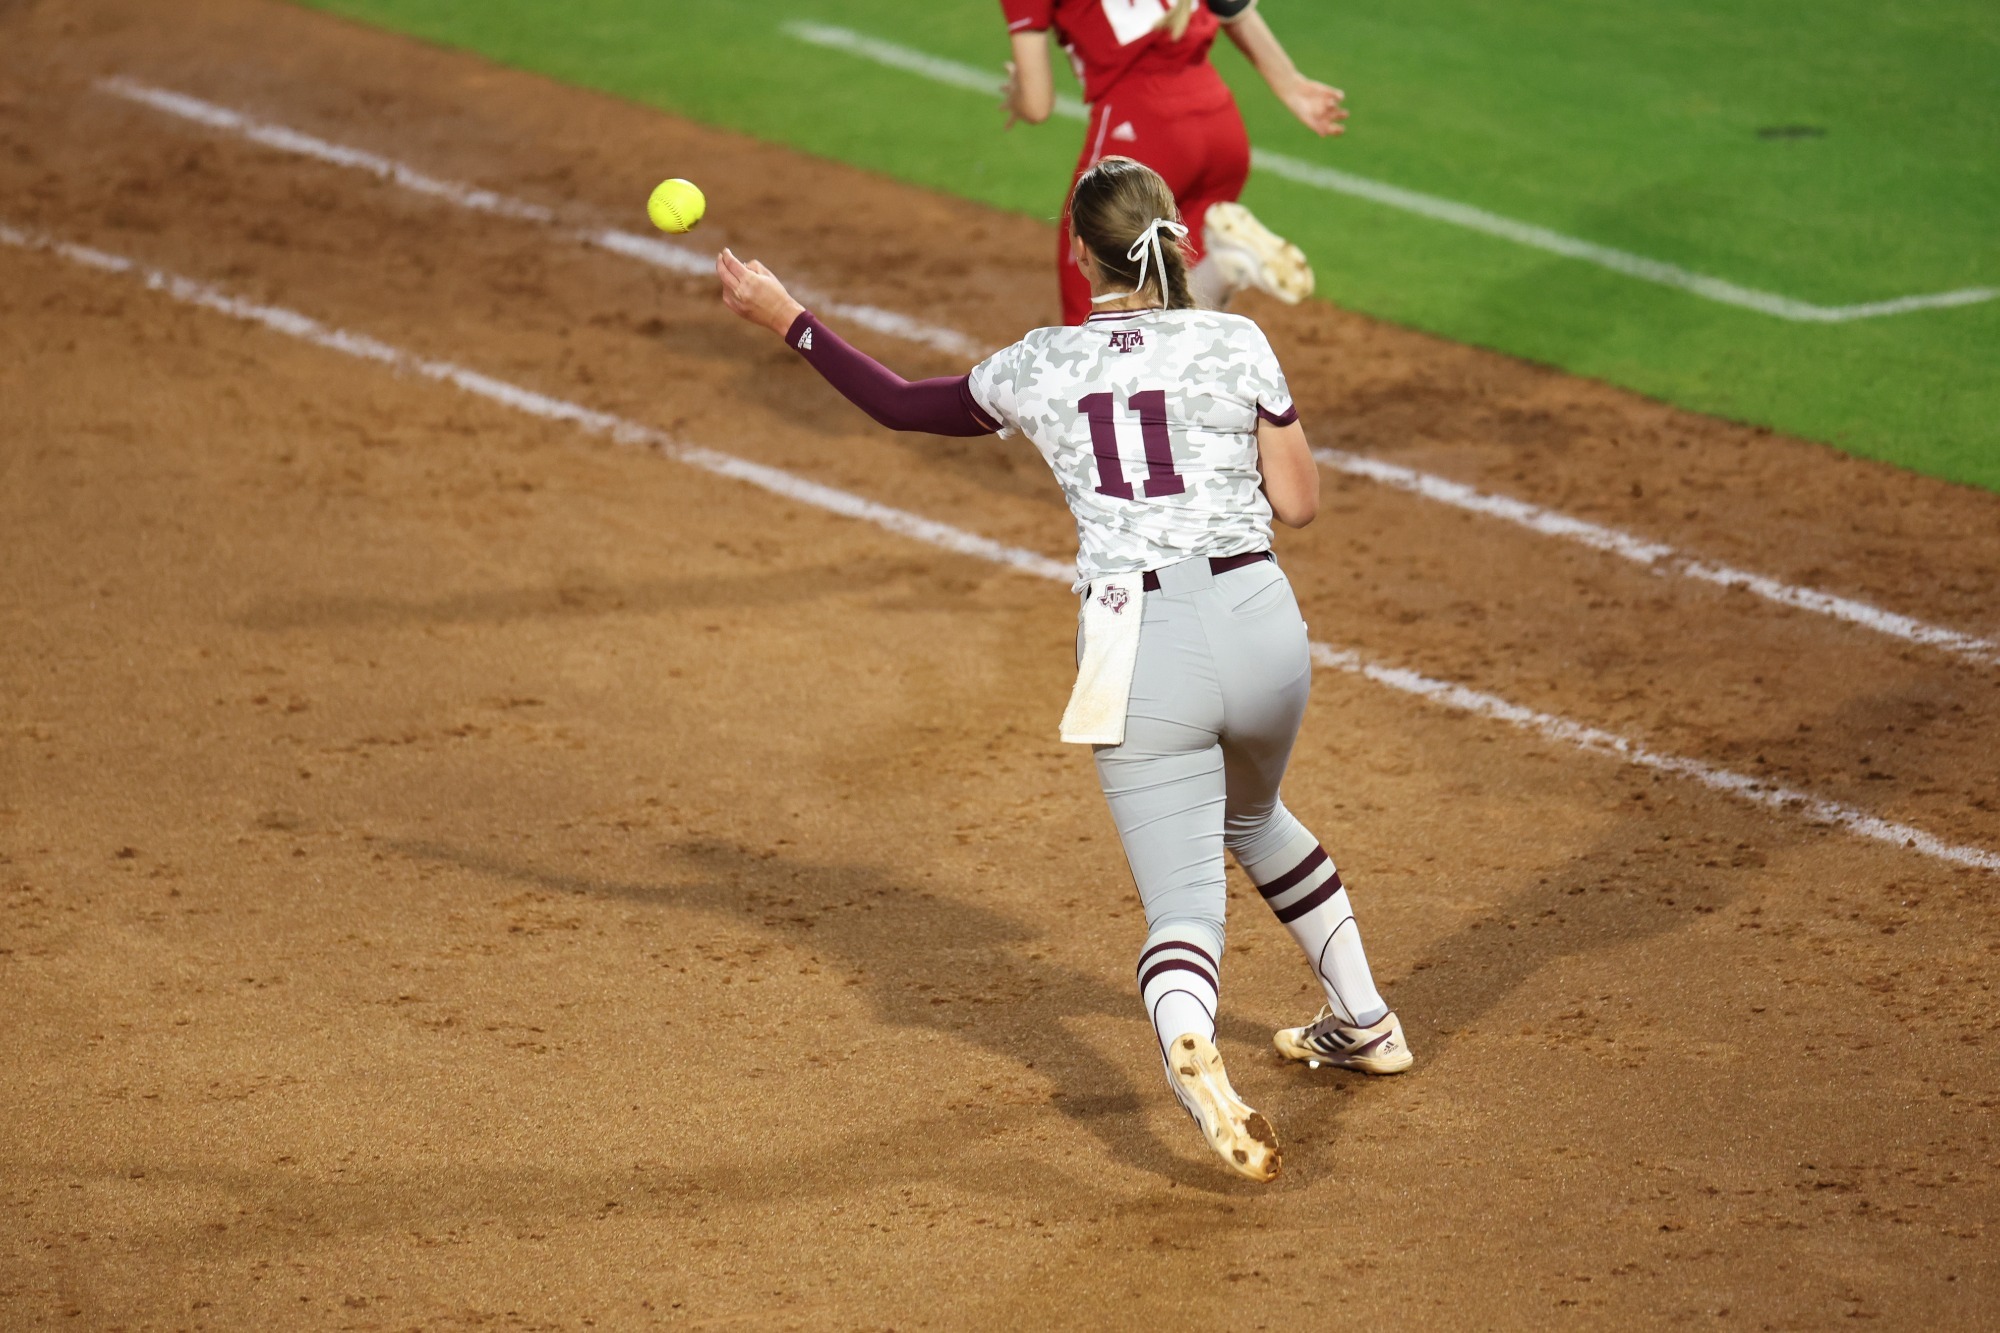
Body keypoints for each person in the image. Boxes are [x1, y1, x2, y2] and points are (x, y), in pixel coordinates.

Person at [713, 157, 1410, 1183]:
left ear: (1078, 255)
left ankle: (1187, 1042)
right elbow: (1298, 505)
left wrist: (789, 318)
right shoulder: (1238, 339)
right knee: (1253, 815)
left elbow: (906, 405)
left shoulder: (1039, 363)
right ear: (1172, 236)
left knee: (1183, 913)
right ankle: (1365, 1017)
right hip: (1264, 625)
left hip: (1144, 650)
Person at [999, 0, 1347, 325]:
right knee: (1175, 303)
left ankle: (1226, 266)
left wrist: (1018, 93)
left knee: (1091, 312)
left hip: (1141, 131)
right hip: (1220, 124)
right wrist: (1290, 83)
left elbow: (1037, 103)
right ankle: (1224, 270)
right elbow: (1231, 4)